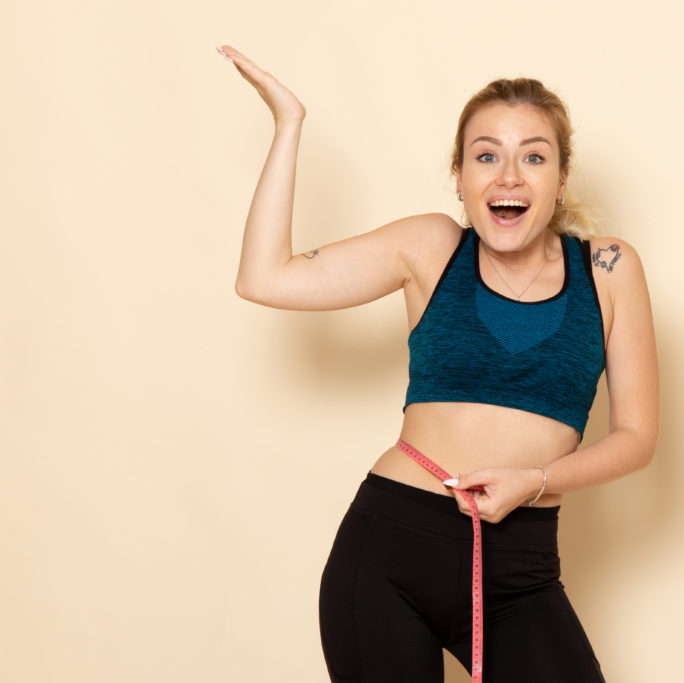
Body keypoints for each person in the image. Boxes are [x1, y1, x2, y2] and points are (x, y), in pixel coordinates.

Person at [218, 44, 659, 683]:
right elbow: (264, 278)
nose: (508, 176)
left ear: (561, 180)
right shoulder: (430, 248)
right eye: (486, 156)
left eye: (533, 156)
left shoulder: (609, 269)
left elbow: (638, 439)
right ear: (460, 176)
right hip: (388, 552)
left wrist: (533, 481)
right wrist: (289, 125)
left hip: (522, 565)